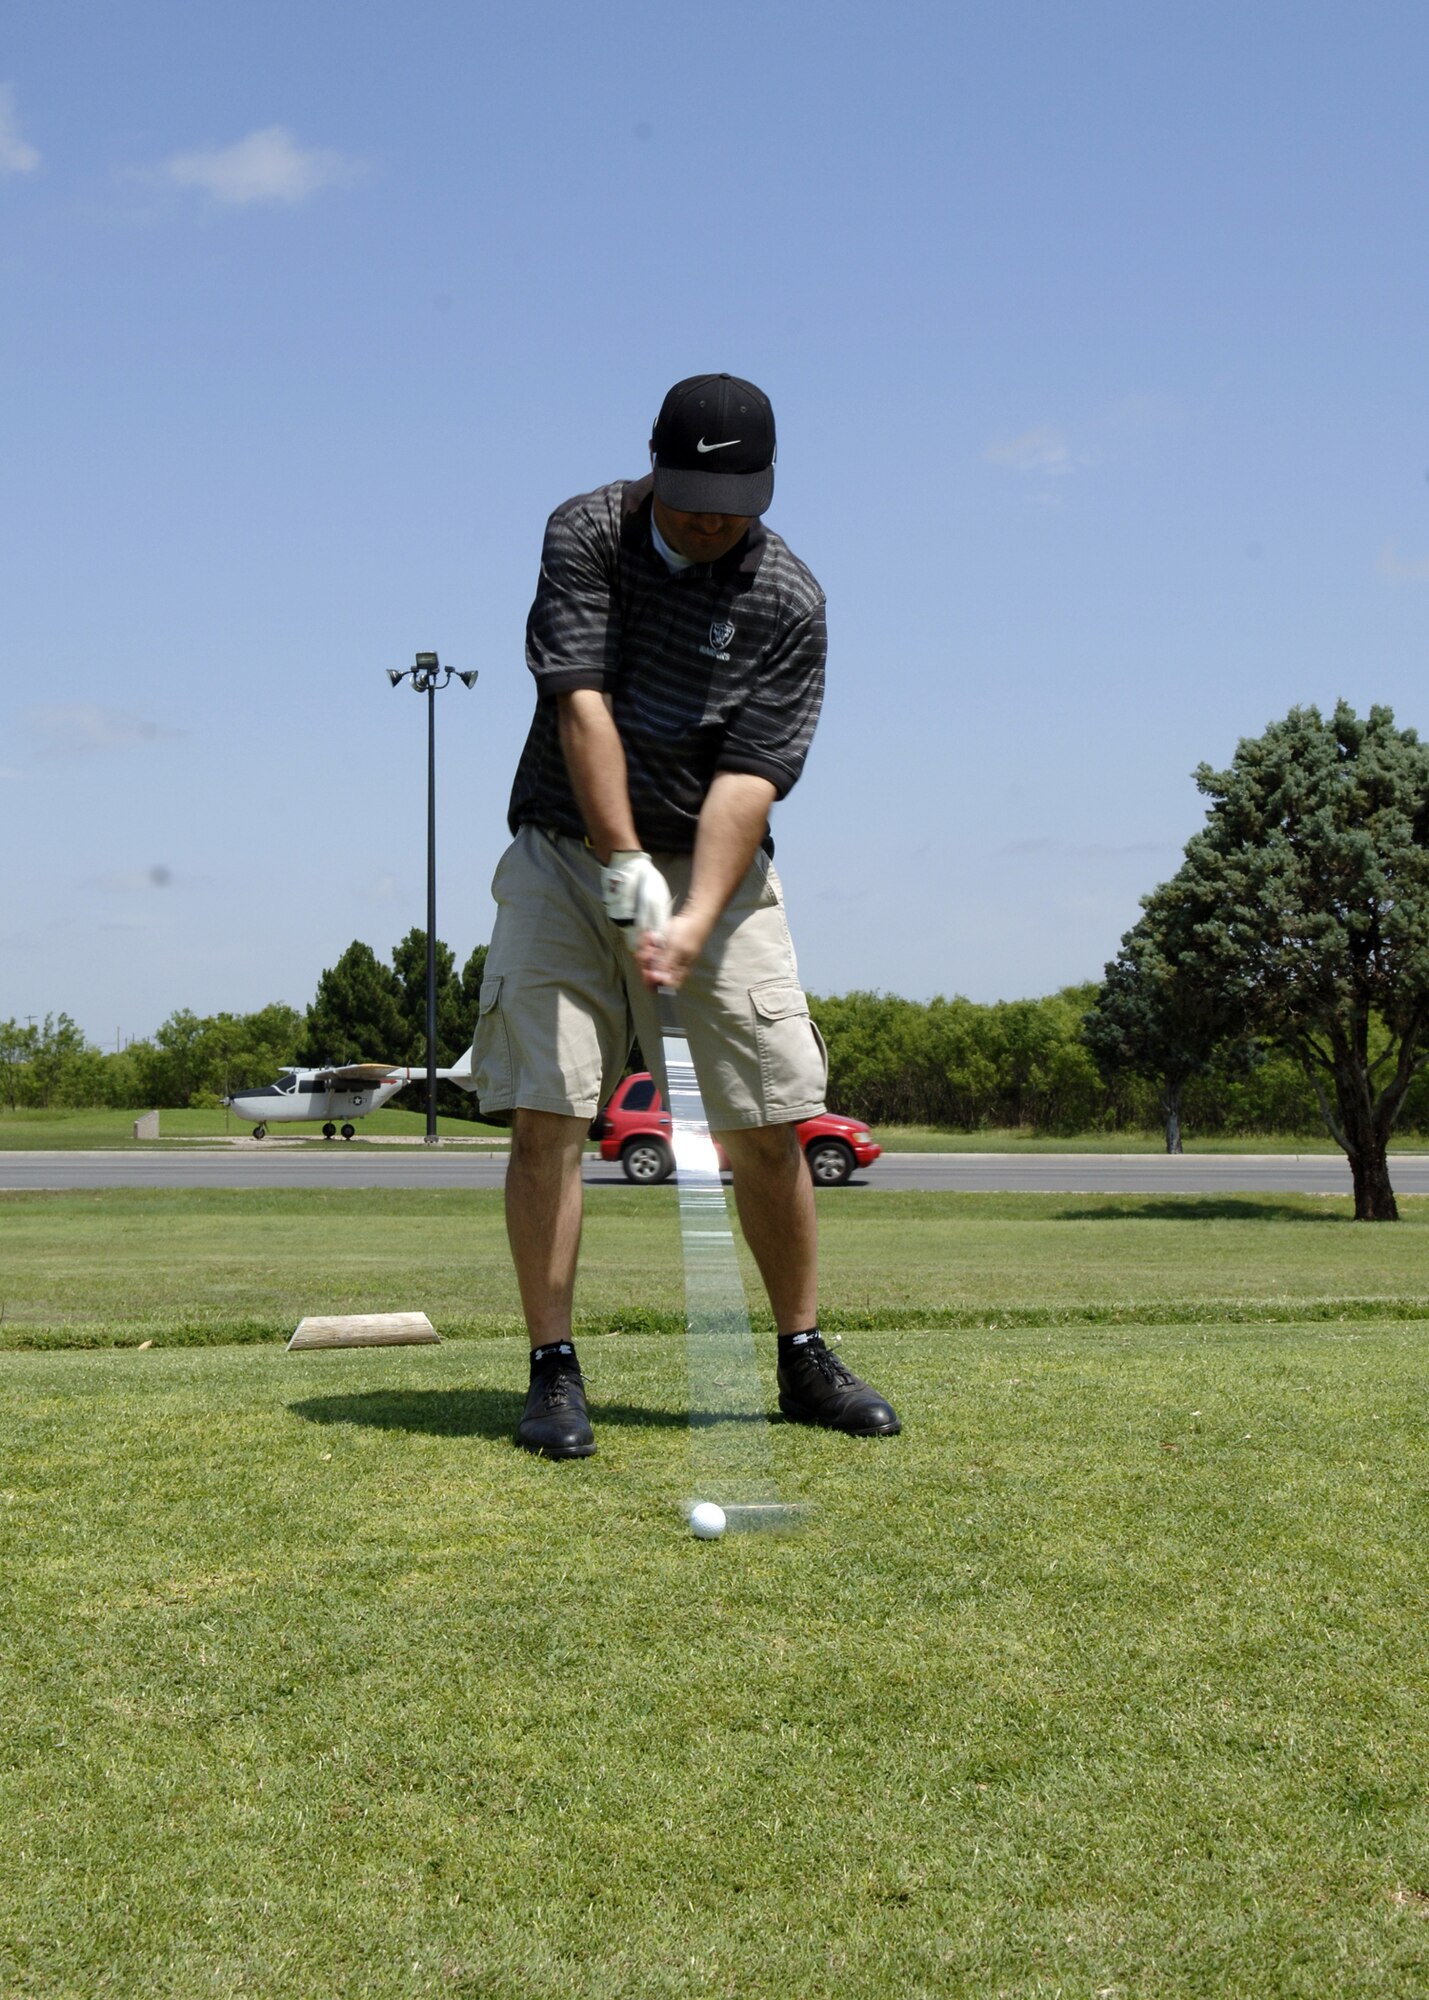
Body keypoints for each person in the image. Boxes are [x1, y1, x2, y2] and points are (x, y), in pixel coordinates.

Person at [473, 371, 900, 1458]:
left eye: (735, 504)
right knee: (549, 1110)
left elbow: (749, 777)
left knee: (768, 1116)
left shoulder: (786, 598)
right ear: (653, 466)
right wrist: (622, 864)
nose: (712, 522)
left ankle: (803, 1355)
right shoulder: (585, 532)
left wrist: (699, 911)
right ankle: (553, 1370)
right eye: (692, 498)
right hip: (567, 853)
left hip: (719, 858)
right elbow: (580, 703)